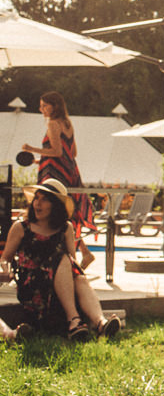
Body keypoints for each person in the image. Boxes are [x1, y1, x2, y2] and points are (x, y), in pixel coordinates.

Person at [0, 178, 120, 340]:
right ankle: (75, 320)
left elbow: (73, 264)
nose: (38, 203)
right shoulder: (22, 227)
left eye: (44, 200)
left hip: (59, 287)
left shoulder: (65, 228)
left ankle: (100, 323)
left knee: (76, 272)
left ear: (55, 206)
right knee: (64, 258)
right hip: (33, 286)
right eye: (37, 198)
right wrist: (5, 269)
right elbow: (5, 258)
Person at [22, 91, 95, 271]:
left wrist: (31, 148)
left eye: (44, 105)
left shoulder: (53, 124)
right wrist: (40, 161)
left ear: (54, 106)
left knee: (49, 211)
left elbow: (56, 152)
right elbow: (72, 153)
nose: (41, 109)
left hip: (54, 175)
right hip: (69, 171)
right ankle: (84, 253)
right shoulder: (67, 124)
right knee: (65, 212)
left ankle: (66, 257)